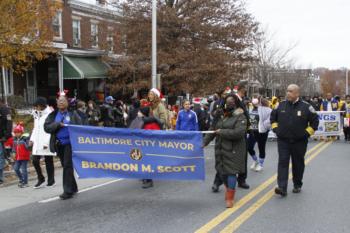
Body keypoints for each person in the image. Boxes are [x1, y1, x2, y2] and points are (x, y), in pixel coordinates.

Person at [271, 84, 319, 197]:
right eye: (287, 91)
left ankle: (297, 184)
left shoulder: (306, 107)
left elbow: (315, 123)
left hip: (299, 142)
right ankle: (282, 187)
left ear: (297, 93)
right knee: (283, 162)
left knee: (298, 164)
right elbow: (273, 118)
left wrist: (306, 134)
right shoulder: (280, 105)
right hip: (283, 141)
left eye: (291, 91)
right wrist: (276, 130)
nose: (288, 93)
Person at [203, 94, 248, 208]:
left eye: (232, 102)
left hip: (234, 149)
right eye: (227, 102)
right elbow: (213, 130)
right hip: (220, 148)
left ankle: (230, 197)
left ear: (236, 103)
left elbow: (239, 132)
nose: (229, 104)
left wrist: (221, 132)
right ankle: (228, 188)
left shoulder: (241, 116)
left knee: (231, 172)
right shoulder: (221, 115)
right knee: (221, 171)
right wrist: (204, 142)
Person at [44, 92, 82, 200]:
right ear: (56, 103)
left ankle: (67, 191)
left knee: (67, 165)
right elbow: (46, 128)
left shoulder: (73, 114)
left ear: (67, 103)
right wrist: (57, 124)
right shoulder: (53, 115)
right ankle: (73, 187)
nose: (61, 102)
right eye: (59, 100)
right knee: (66, 166)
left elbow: (81, 127)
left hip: (70, 144)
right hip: (59, 144)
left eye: (63, 100)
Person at [30, 97, 56, 189]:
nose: (35, 108)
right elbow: (35, 128)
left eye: (36, 106)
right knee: (34, 160)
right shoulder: (36, 115)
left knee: (48, 161)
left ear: (41, 106)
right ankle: (41, 178)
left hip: (46, 141)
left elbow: (50, 130)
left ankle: (51, 181)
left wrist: (46, 143)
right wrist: (32, 139)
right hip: (37, 141)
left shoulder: (50, 114)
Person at [11, 123, 31, 188]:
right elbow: (14, 148)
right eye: (15, 132)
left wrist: (27, 143)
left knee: (23, 169)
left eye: (18, 132)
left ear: (21, 132)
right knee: (16, 169)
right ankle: (21, 179)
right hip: (17, 158)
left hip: (24, 157)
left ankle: (25, 182)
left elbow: (28, 147)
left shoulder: (25, 139)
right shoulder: (15, 140)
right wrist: (13, 153)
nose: (17, 134)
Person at [0, 99, 13, 186]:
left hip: (1, 137)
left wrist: (6, 135)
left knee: (0, 157)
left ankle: (0, 178)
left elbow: (9, 123)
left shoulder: (5, 110)